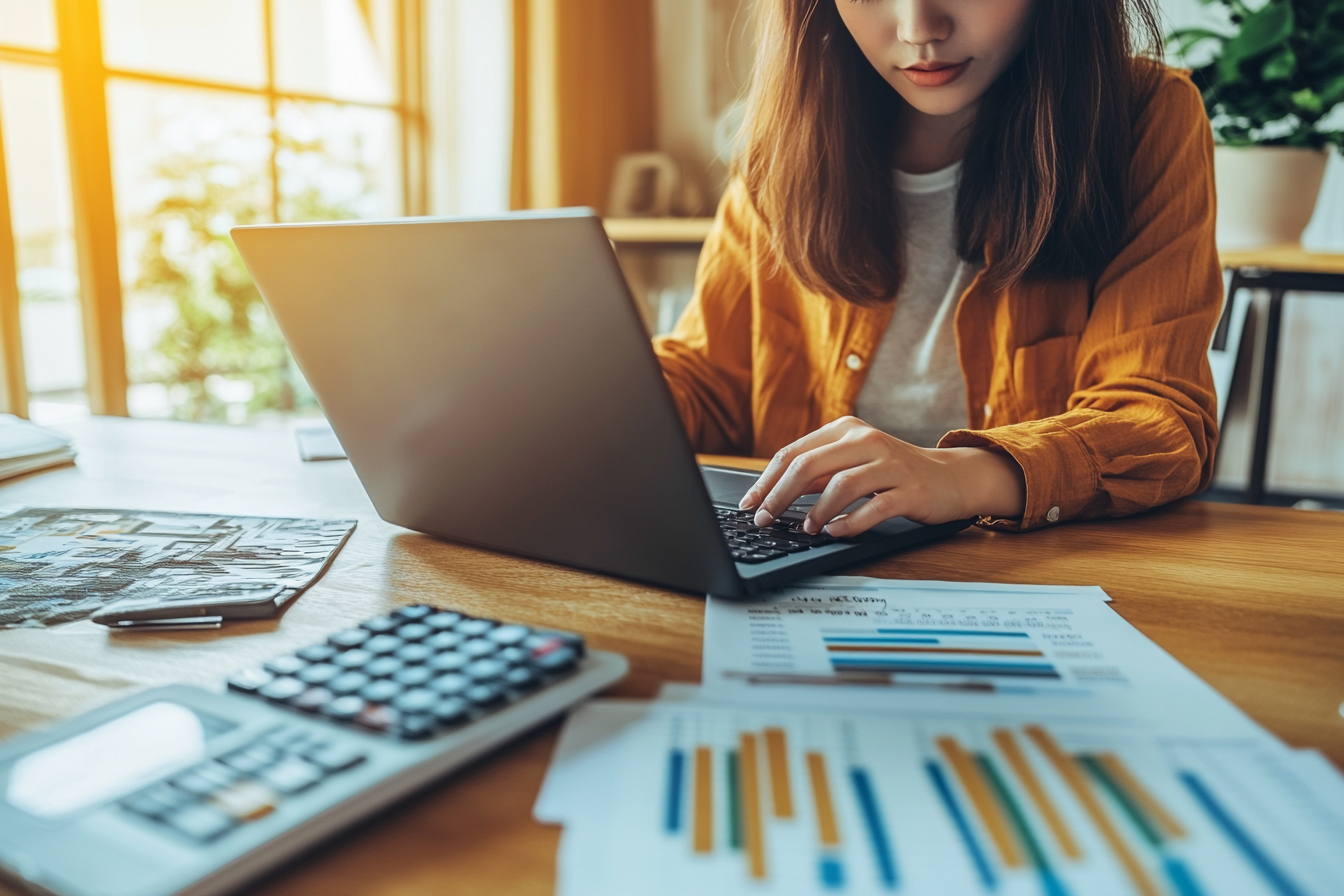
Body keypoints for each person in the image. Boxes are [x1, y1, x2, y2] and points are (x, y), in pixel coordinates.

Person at [653, 0, 1222, 537]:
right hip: (810, 558)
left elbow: (1159, 423)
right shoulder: (783, 142)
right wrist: (590, 395)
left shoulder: (1141, 117)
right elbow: (711, 382)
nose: (918, 29)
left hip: (1032, 574)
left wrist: (958, 476)